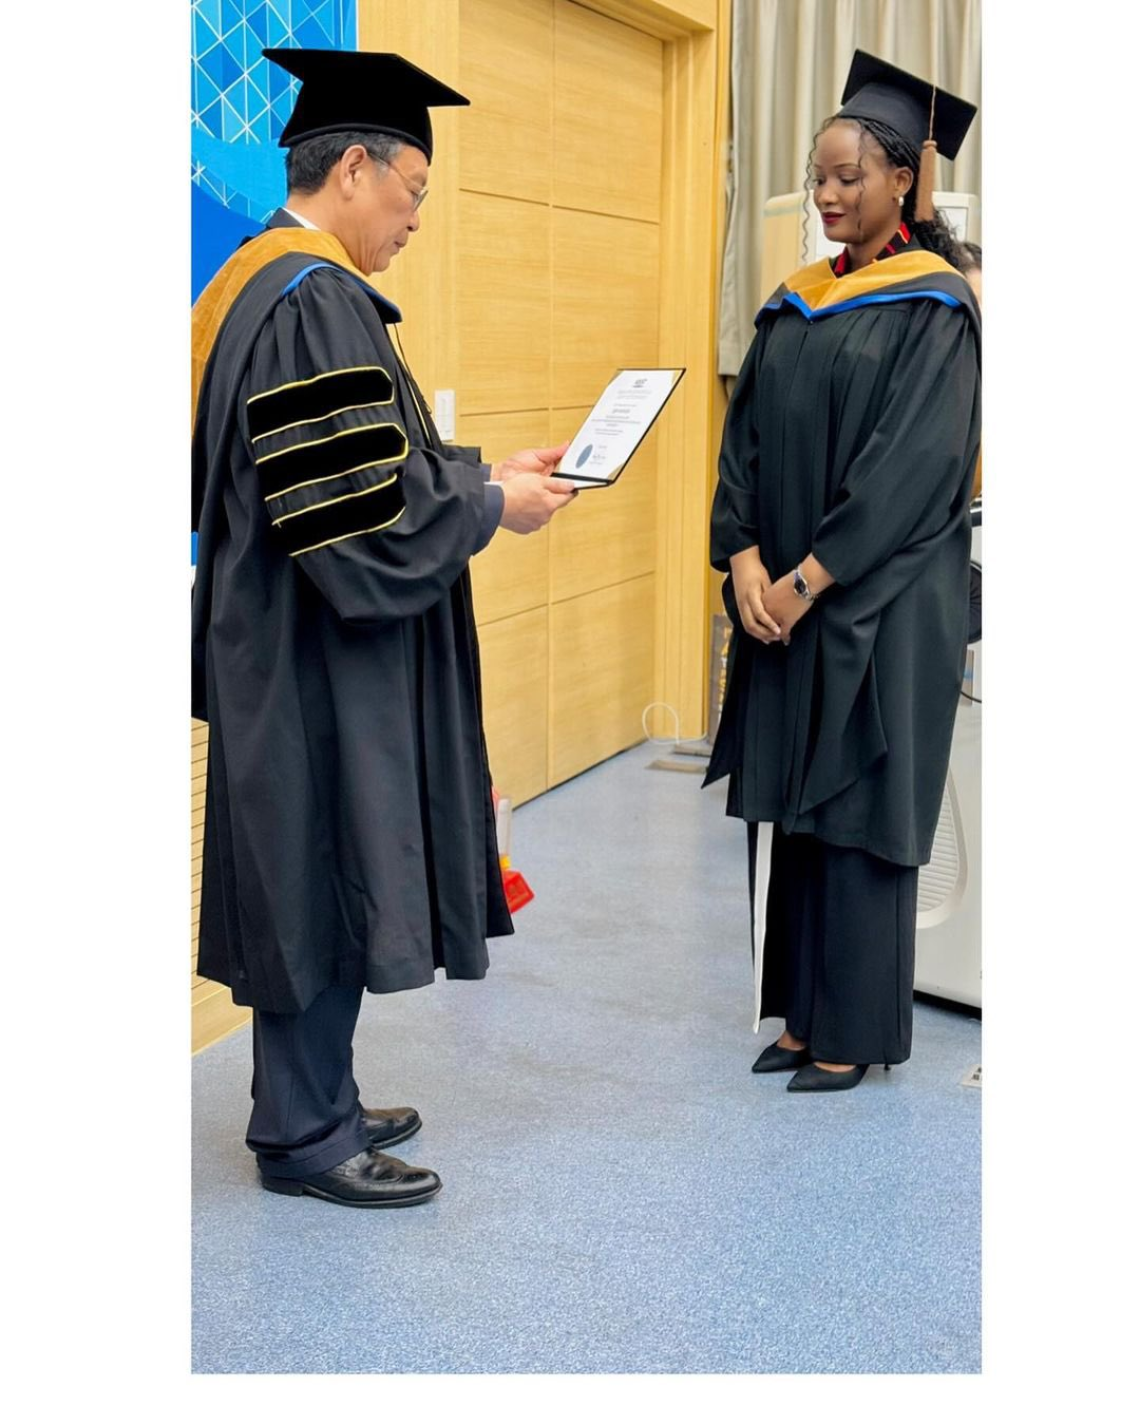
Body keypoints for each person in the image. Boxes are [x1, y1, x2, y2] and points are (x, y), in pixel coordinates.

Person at [191, 47, 578, 1205]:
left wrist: (475, 472)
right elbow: (355, 520)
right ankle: (308, 1139)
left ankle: (312, 1096)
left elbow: (353, 469)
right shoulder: (311, 300)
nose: (415, 219)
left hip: (286, 639)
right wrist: (490, 505)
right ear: (354, 166)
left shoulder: (263, 284)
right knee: (311, 866)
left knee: (318, 859)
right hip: (313, 652)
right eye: (412, 192)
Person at [705, 51, 981, 1092]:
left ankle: (854, 1029)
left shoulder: (937, 309)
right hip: (786, 599)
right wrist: (742, 560)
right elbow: (744, 447)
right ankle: (801, 1011)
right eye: (819, 175)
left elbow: (912, 470)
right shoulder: (795, 302)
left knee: (859, 804)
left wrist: (807, 578)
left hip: (882, 603)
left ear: (903, 178)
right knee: (798, 799)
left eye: (847, 175)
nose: (825, 194)